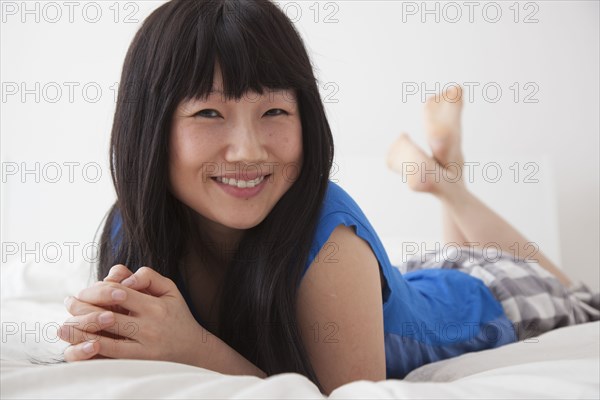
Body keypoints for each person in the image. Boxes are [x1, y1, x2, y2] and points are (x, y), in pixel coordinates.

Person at [57, 0, 599, 395]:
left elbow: (347, 395)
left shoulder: (330, 242)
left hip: (489, 302)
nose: (247, 150)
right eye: (208, 113)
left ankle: (444, 182)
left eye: (274, 112)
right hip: (409, 283)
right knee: (451, 262)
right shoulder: (130, 229)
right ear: (148, 130)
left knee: (573, 295)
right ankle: (443, 174)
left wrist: (191, 346)